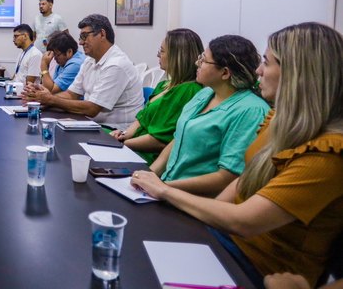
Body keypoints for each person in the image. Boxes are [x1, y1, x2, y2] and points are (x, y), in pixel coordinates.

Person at [132, 23, 343, 287]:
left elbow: (245, 221)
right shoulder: (278, 120)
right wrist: (203, 230)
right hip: (228, 242)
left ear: (300, 74)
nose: (258, 71)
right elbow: (245, 180)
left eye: (267, 62)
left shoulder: (327, 155)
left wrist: (164, 191)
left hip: (257, 267)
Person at [148, 34, 270, 197]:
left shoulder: (250, 111)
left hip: (197, 200)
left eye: (204, 60)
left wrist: (164, 187)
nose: (196, 63)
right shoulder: (205, 93)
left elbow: (227, 177)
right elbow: (178, 139)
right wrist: (151, 175)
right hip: (169, 189)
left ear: (225, 73)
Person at [23, 14, 144, 130]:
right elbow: (71, 94)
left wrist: (50, 100)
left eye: (84, 37)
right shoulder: (89, 61)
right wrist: (41, 99)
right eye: (80, 38)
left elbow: (92, 108)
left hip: (114, 131)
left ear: (102, 34)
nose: (80, 42)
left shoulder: (116, 65)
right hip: (92, 124)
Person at [108, 28, 204, 163]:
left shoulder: (187, 91)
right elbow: (141, 120)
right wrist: (122, 135)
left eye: (162, 51)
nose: (158, 55)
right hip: (132, 146)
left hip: (147, 156)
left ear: (177, 56)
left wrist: (122, 144)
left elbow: (159, 141)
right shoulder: (164, 85)